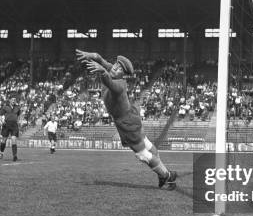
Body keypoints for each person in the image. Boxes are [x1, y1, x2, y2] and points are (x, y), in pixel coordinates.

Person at [75, 49, 177, 190]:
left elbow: (110, 83)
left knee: (143, 155)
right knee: (147, 145)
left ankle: (167, 175)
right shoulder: (113, 71)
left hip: (127, 123)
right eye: (116, 65)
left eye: (119, 68)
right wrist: (90, 56)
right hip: (130, 117)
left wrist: (102, 72)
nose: (115, 68)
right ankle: (163, 174)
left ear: (123, 74)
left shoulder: (119, 85)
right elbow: (100, 58)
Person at [0, 96, 20, 161]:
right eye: (13, 99)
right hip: (6, 124)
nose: (14, 101)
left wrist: (17, 121)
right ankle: (1, 152)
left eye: (15, 100)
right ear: (10, 100)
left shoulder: (18, 107)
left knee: (14, 139)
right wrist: (2, 121)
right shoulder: (5, 107)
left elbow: (18, 115)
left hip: (14, 125)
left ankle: (14, 156)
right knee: (4, 140)